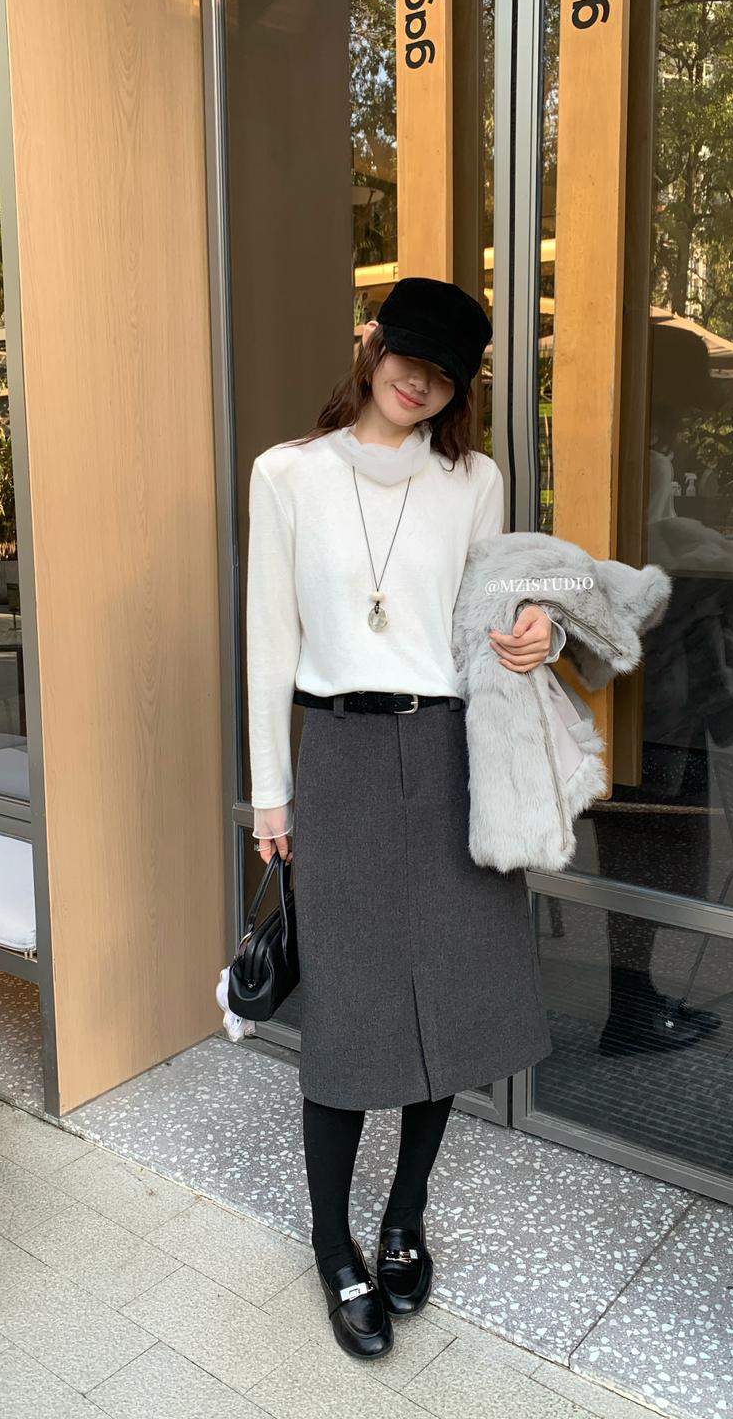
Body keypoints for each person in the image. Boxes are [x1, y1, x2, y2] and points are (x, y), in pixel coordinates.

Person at [245, 277, 557, 1361]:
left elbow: (490, 618)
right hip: (337, 754)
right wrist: (270, 792)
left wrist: (538, 634)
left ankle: (403, 1217)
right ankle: (333, 1245)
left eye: (443, 373)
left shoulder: (475, 479)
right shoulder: (287, 473)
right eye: (406, 356)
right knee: (349, 1010)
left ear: (462, 387)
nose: (417, 382)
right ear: (372, 342)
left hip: (450, 749)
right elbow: (269, 641)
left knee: (453, 1001)